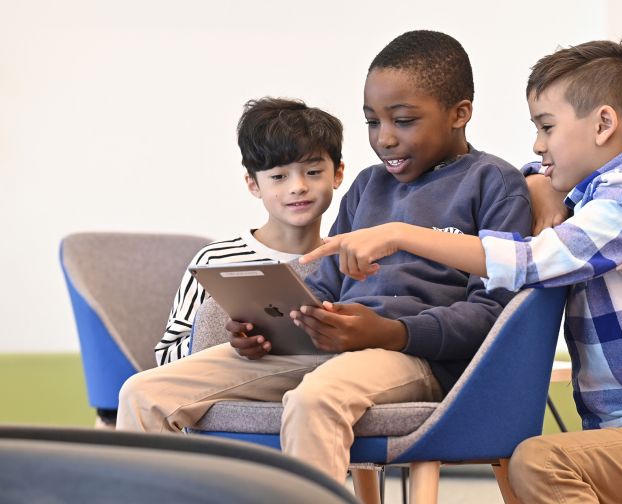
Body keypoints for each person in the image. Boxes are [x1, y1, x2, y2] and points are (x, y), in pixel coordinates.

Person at [301, 40, 622, 502]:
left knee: (539, 463)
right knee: (537, 466)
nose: (537, 144)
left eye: (546, 127)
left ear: (603, 124)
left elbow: (530, 262)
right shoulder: (590, 196)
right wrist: (538, 179)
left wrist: (401, 233)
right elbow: (530, 175)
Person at [116, 29, 532, 484]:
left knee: (315, 399)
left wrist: (391, 331)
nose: (385, 139)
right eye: (373, 122)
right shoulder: (367, 187)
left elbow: (493, 315)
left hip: (417, 358)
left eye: (404, 120)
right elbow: (323, 283)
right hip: (331, 346)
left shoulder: (494, 184)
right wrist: (267, 328)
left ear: (460, 114)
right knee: (144, 391)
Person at [153, 97, 345, 365]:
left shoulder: (345, 260)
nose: (298, 186)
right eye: (278, 177)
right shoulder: (216, 260)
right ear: (253, 184)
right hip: (233, 392)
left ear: (337, 174)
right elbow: (166, 356)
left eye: (313, 171)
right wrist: (228, 337)